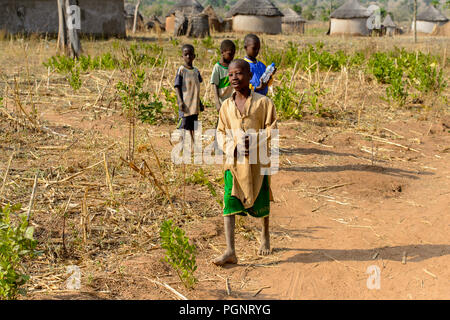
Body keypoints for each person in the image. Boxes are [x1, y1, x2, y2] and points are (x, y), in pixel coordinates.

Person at [213, 59, 277, 266]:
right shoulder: (226, 106)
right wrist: (232, 147)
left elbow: (272, 128)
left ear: (250, 76)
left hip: (258, 161)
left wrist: (256, 140)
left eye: (239, 73)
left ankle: (265, 233)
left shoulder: (263, 103)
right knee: (229, 203)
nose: (234, 78)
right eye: (231, 74)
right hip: (234, 161)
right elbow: (220, 132)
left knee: (261, 199)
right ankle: (230, 250)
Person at [174, 44, 204, 143]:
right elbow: (177, 86)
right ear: (182, 56)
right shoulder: (181, 70)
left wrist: (199, 103)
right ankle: (181, 145)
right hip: (185, 104)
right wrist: (180, 101)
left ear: (194, 56)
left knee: (193, 126)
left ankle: (193, 144)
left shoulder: (196, 71)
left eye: (190, 54)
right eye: (186, 54)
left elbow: (196, 89)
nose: (188, 57)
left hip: (194, 105)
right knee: (183, 125)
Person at [211, 40, 236, 112]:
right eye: (230, 54)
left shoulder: (233, 66)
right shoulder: (217, 67)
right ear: (222, 52)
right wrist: (217, 103)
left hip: (232, 102)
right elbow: (214, 85)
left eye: (233, 54)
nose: (232, 56)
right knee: (221, 121)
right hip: (222, 102)